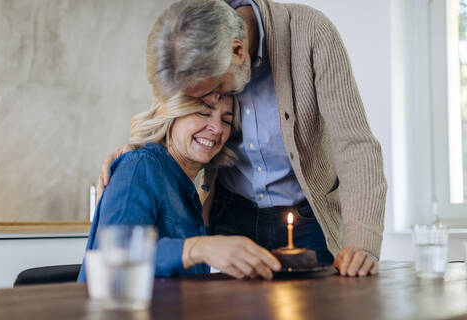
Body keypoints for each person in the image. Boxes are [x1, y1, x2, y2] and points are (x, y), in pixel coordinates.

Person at [98, 0, 387, 277]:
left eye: (216, 97)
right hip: (231, 217)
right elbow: (172, 121)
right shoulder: (189, 42)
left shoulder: (311, 33)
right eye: (199, 104)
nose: (212, 103)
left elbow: (355, 144)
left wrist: (361, 243)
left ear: (238, 51)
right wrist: (136, 155)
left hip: (305, 222)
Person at [78, 94, 281, 281]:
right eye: (203, 113)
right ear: (172, 113)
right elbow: (114, 256)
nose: (217, 128)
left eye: (226, 121)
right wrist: (198, 248)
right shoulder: (140, 165)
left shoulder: (190, 194)